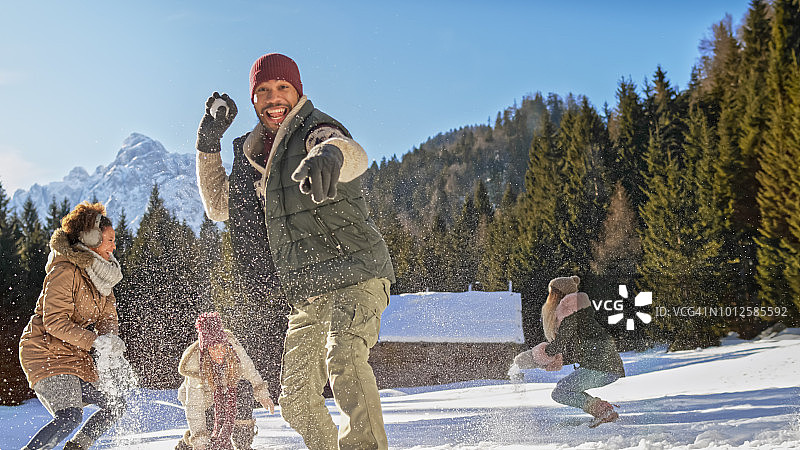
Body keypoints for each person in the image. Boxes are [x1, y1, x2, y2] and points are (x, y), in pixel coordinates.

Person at [196, 52, 396, 450]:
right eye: (264, 91)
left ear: (297, 91)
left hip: (355, 274)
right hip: (309, 291)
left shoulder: (314, 129)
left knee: (345, 363)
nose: (274, 99)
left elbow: (348, 151)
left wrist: (331, 156)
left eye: (283, 88)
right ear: (253, 99)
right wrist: (208, 146)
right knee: (296, 401)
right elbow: (220, 206)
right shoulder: (249, 153)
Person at [19, 201, 128, 450]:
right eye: (109, 240)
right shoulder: (64, 270)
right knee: (69, 417)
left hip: (75, 355)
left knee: (116, 404)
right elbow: (55, 322)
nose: (114, 246)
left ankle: (77, 447)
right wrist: (95, 342)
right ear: (90, 239)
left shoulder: (103, 277)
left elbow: (108, 318)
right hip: (44, 351)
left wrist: (110, 340)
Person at [514, 275, 625, 426]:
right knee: (564, 388)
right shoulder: (579, 315)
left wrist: (535, 357)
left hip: (602, 368)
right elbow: (574, 352)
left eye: (551, 293)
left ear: (557, 294)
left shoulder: (571, 313)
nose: (549, 297)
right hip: (606, 367)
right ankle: (604, 411)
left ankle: (603, 411)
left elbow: (559, 345)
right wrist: (551, 361)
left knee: (561, 392)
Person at [176, 312, 275, 450]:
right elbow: (195, 406)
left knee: (244, 387)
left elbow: (250, 371)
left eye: (222, 346)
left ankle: (243, 444)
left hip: (228, 394)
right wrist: (199, 441)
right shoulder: (195, 364)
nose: (220, 352)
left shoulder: (233, 348)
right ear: (206, 349)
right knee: (206, 438)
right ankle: (186, 445)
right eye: (214, 348)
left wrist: (263, 395)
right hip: (206, 403)